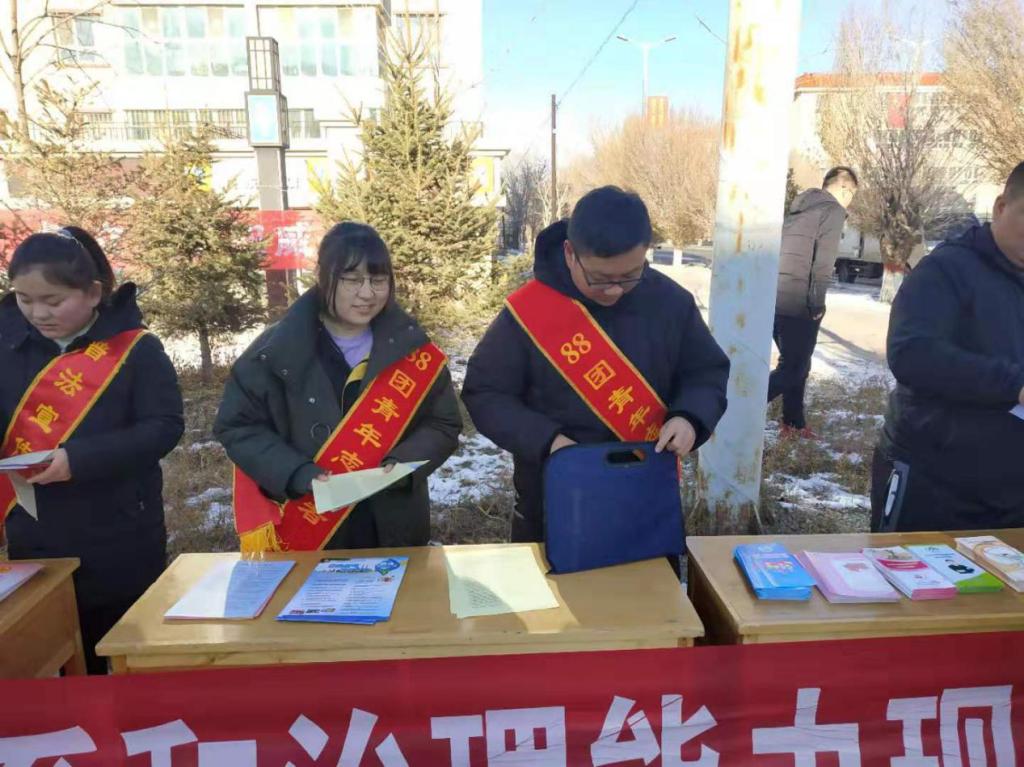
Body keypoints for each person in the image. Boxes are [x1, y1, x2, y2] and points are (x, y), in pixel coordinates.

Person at [462, 186, 730, 544]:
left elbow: (705, 372)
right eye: (600, 279)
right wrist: (548, 441)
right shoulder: (530, 311)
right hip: (554, 488)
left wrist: (689, 418)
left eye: (630, 274)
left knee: (647, 579)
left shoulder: (670, 302)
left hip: (646, 488)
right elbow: (485, 393)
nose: (615, 290)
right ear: (570, 253)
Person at [1, 227, 184, 674]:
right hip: (34, 528)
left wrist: (79, 459)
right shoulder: (6, 344)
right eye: (24, 299)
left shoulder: (135, 348)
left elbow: (163, 427)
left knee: (118, 653)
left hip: (119, 530)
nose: (38, 313)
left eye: (53, 301)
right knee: (50, 650)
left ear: (94, 293)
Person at [215, 222, 461, 552]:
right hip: (309, 527)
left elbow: (443, 423)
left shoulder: (412, 349)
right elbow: (238, 427)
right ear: (322, 276)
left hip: (394, 526)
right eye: (351, 280)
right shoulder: (274, 351)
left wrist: (403, 464)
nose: (367, 293)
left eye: (378, 280)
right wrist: (296, 473)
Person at [870, 161, 1024, 532]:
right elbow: (911, 353)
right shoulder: (946, 269)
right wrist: (1014, 385)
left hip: (1012, 492)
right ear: (1001, 207)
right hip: (935, 484)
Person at [769, 166, 858, 438]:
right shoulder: (832, 211)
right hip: (799, 301)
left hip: (775, 297)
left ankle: (793, 423)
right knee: (793, 368)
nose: (850, 201)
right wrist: (817, 305)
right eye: (852, 195)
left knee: (797, 364)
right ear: (844, 188)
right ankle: (736, 409)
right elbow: (823, 264)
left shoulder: (801, 208)